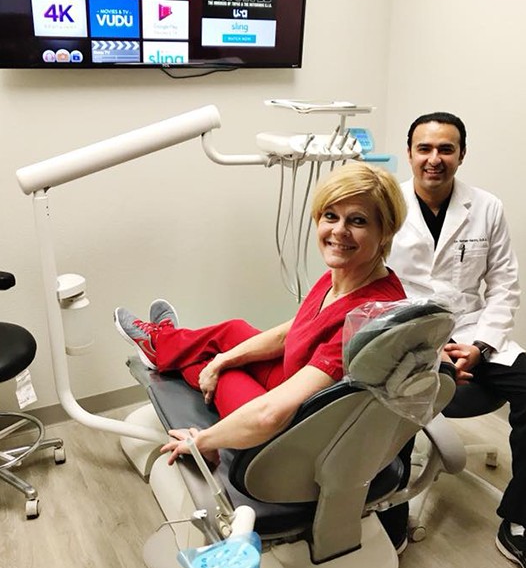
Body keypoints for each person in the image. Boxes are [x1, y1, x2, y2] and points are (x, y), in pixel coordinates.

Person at [114, 164, 411, 518]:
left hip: (295, 433)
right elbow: (295, 330)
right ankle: (167, 344)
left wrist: (203, 442)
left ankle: (169, 350)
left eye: (358, 221)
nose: (338, 231)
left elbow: (271, 414)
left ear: (385, 231)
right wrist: (224, 357)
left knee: (211, 368)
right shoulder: (347, 274)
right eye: (330, 216)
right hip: (303, 383)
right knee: (232, 332)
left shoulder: (367, 318)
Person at [388, 111, 526, 568]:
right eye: (424, 149)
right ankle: (390, 510)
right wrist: (423, 342)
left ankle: (520, 521)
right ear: (409, 153)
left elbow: (505, 285)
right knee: (390, 401)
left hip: (471, 331)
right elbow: (373, 282)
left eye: (445, 149)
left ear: (461, 155)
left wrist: (480, 346)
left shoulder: (486, 207)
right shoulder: (386, 204)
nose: (434, 159)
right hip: (406, 333)